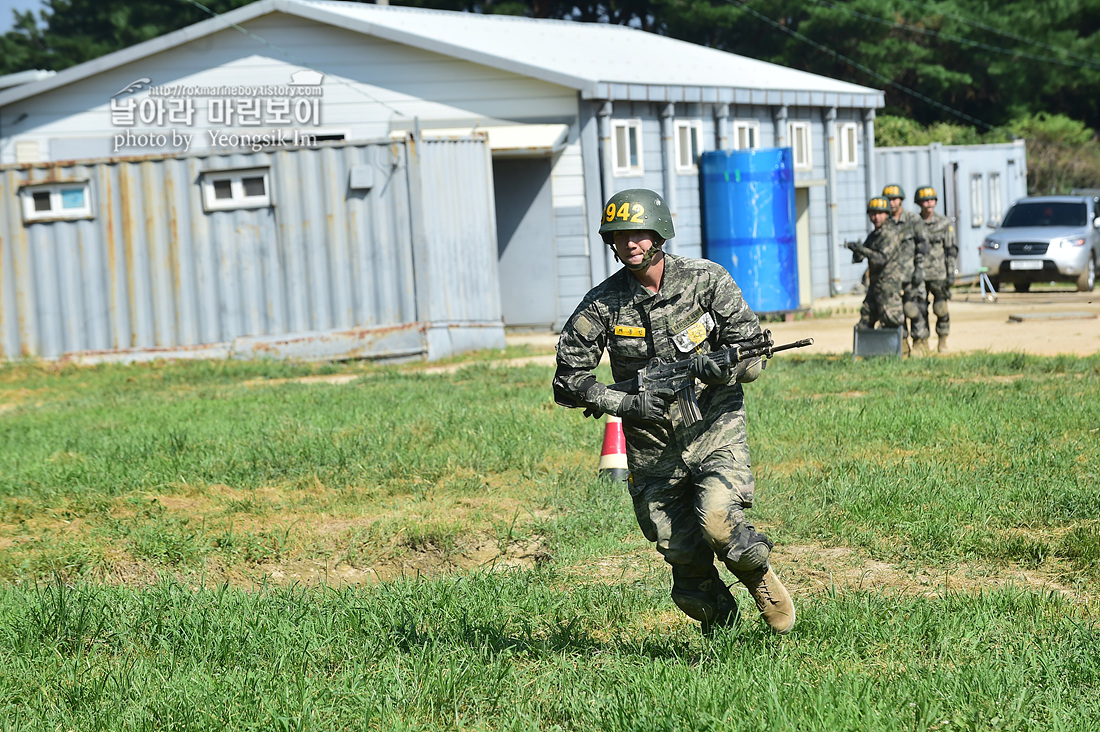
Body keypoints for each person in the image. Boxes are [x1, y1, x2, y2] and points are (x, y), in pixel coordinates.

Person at [552, 188, 795, 635]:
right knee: (685, 568)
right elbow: (567, 380)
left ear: (659, 232)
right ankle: (722, 630)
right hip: (651, 450)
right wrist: (625, 402)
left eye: (639, 234)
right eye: (620, 236)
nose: (631, 245)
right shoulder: (602, 304)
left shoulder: (706, 280)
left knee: (721, 524)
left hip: (713, 429)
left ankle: (759, 580)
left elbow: (754, 358)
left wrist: (721, 367)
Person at [846, 197, 907, 350]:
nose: (876, 217)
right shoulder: (874, 235)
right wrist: (856, 250)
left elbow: (881, 258)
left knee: (892, 318)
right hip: (875, 285)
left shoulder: (890, 234)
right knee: (866, 316)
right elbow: (860, 258)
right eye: (873, 214)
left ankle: (902, 350)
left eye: (880, 213)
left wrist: (863, 250)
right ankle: (865, 352)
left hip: (889, 286)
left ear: (887, 214)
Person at [882, 184, 931, 356]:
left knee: (914, 308)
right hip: (891, 277)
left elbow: (923, 245)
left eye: (895, 199)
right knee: (895, 312)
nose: (892, 203)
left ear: (901, 200)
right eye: (888, 200)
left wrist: (919, 268)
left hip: (911, 273)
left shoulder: (912, 219)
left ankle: (920, 341)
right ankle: (901, 343)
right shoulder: (884, 221)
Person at [914, 186, 958, 353]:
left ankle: (942, 340)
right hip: (919, 274)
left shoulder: (944, 223)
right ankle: (921, 341)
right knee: (919, 309)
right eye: (925, 200)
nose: (929, 203)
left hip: (939, 273)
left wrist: (951, 273)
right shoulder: (915, 223)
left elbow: (950, 250)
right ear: (919, 203)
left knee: (941, 309)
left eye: (932, 199)